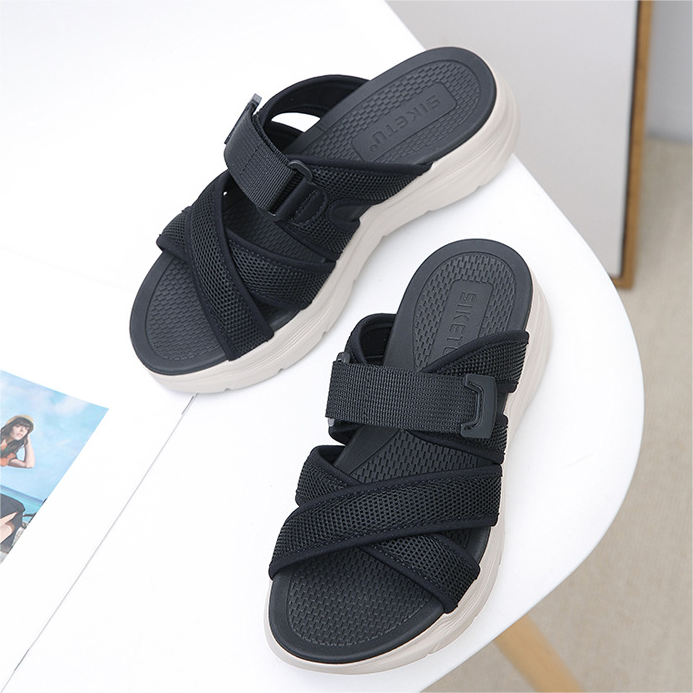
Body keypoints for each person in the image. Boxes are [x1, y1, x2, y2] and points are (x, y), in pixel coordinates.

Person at [0, 415, 36, 548]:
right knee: (14, 508)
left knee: (17, 511)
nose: (22, 431)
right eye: (18, 426)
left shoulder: (7, 453)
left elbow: (29, 464)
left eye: (26, 429)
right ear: (10, 426)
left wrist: (27, 440)